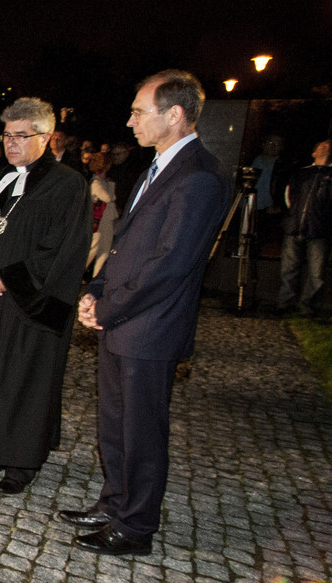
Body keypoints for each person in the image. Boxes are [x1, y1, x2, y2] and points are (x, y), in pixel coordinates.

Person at [63, 70, 231, 556]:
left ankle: (135, 527)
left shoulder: (199, 177)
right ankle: (115, 502)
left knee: (142, 431)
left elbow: (170, 264)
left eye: (140, 111)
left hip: (150, 327)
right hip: (123, 320)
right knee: (115, 423)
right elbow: (126, 247)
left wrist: (109, 308)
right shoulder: (155, 168)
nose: (130, 121)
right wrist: (96, 289)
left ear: (174, 115)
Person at [0, 97, 90, 495]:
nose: (12, 143)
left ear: (46, 137)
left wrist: (10, 279)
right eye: (7, 135)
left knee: (23, 380)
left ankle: (20, 462)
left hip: (29, 305)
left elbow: (63, 248)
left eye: (22, 135)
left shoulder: (68, 186)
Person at [277, 139, 332, 314]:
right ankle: (285, 304)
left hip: (319, 231)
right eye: (322, 145)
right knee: (289, 269)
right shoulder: (301, 174)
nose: (326, 147)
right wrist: (293, 216)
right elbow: (288, 196)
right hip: (294, 227)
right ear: (313, 153)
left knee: (316, 273)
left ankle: (306, 305)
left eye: (329, 146)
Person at [86, 151, 118, 279]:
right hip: (99, 224)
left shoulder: (101, 181)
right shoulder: (96, 182)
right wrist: (111, 185)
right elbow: (109, 197)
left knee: (103, 254)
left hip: (107, 222)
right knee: (91, 253)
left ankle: (95, 281)